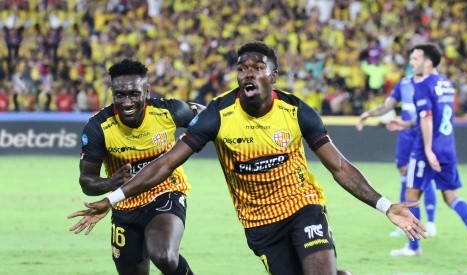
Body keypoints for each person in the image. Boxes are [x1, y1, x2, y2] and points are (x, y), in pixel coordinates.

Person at [69, 42, 427, 274]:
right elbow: (165, 164)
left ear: (273, 75)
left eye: (256, 67)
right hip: (259, 222)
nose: (247, 73)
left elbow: (340, 167)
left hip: (302, 205)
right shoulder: (217, 115)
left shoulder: (296, 111)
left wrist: (384, 205)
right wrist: (110, 198)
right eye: (242, 68)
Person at [68, 59, 204, 274]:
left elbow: (209, 118)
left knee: (164, 255)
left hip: (165, 191)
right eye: (120, 95)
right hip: (123, 203)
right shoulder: (98, 127)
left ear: (147, 91)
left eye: (134, 94)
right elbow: (87, 181)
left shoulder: (170, 111)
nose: (127, 102)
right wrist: (110, 182)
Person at [387, 44, 467, 258]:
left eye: (416, 59)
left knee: (411, 195)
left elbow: (427, 119)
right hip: (448, 149)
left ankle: (413, 248)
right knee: (452, 197)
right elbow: (438, 116)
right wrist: (405, 125)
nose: (411, 63)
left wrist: (428, 150)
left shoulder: (422, 85)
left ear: (428, 62)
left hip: (426, 150)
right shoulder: (446, 84)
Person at [356, 74, 437, 238]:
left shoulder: (432, 83)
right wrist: (369, 114)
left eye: (416, 58)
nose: (413, 63)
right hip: (405, 134)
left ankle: (431, 222)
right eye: (412, 58)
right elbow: (387, 106)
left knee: (421, 178)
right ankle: (404, 221)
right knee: (405, 176)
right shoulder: (404, 83)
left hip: (422, 134)